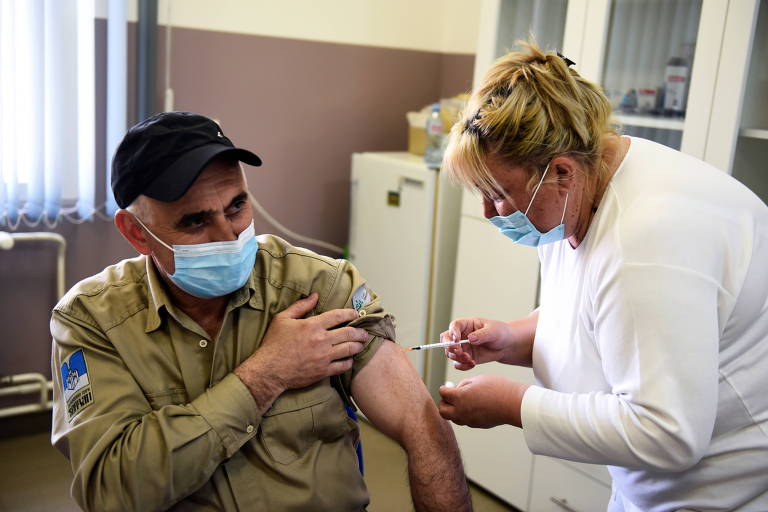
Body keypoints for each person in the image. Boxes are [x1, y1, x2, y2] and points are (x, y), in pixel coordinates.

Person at [50, 111, 471, 512]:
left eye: (237, 206)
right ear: (136, 233)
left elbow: (423, 428)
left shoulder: (316, 286)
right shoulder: (92, 322)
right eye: (195, 222)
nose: (229, 235)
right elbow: (112, 491)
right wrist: (266, 374)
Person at [436, 42, 768, 512]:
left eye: (497, 193)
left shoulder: (648, 240)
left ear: (561, 173)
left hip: (725, 490)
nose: (489, 213)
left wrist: (513, 405)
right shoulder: (575, 192)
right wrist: (512, 337)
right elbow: (596, 313)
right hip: (652, 485)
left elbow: (668, 434)